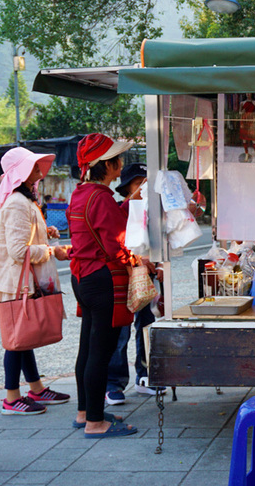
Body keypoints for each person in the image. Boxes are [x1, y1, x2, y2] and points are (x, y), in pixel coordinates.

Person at [0, 147, 71, 415]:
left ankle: (36, 388)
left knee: (24, 336)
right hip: (14, 281)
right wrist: (51, 251)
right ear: (20, 172)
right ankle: (11, 398)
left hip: (19, 280)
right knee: (15, 338)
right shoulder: (17, 203)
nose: (39, 170)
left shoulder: (24, 200)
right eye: (33, 166)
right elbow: (18, 251)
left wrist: (45, 232)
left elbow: (23, 237)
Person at [67, 133, 140, 438]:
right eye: (116, 158)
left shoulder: (82, 193)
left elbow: (100, 229)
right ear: (107, 165)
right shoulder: (101, 197)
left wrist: (129, 202)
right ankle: (96, 423)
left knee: (87, 348)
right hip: (102, 278)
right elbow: (115, 245)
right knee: (101, 352)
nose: (120, 163)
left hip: (82, 277)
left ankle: (86, 412)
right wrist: (137, 261)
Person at [105, 162, 167, 405]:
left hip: (147, 276)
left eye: (146, 183)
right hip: (124, 276)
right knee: (120, 332)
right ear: (127, 187)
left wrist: (159, 265)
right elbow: (115, 244)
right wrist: (138, 259)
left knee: (147, 327)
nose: (143, 188)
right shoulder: (120, 210)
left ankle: (145, 375)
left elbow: (161, 244)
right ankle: (114, 383)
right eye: (138, 183)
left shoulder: (154, 212)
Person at [239, 94, 255, 162]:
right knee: (244, 139)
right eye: (247, 92)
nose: (248, 94)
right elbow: (239, 113)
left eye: (249, 92)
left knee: (253, 138)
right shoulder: (242, 103)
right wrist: (241, 113)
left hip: (251, 120)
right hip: (244, 121)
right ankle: (246, 153)